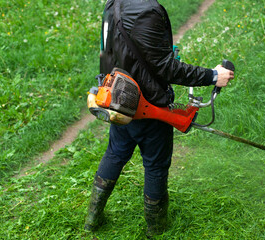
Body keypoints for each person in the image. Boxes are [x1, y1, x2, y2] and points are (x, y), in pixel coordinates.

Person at [84, 0, 234, 237]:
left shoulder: (113, 3)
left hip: (118, 101)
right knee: (155, 165)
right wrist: (213, 75)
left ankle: (92, 219)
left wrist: (108, 88)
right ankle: (157, 229)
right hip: (150, 106)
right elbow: (166, 68)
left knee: (115, 153)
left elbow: (106, 52)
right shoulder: (147, 11)